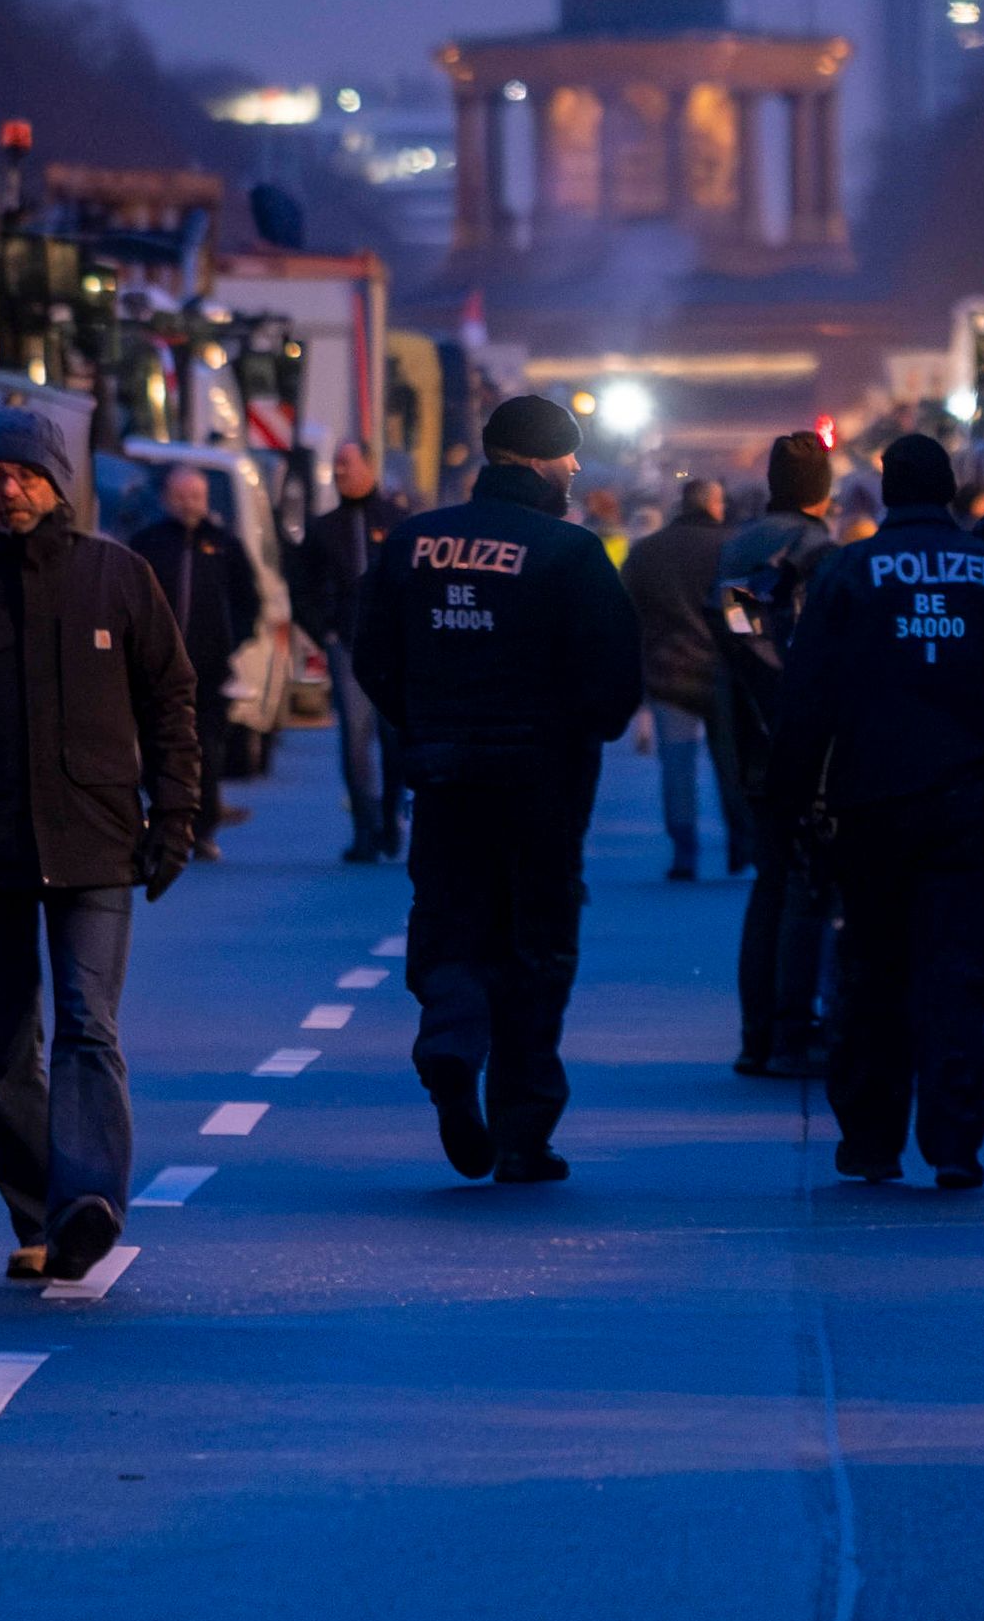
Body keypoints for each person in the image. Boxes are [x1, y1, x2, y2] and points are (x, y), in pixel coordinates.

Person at [0, 410, 207, 1282]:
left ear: (58, 482)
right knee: (8, 1044)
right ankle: (37, 1214)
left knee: (88, 1027)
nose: (6, 488)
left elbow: (170, 701)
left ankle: (87, 1204)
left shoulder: (117, 578)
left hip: (97, 846)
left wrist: (175, 817)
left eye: (23, 474)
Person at [351, 391, 648, 1182]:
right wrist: (577, 732)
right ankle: (522, 1132)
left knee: (450, 921)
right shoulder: (570, 553)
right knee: (536, 949)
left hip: (445, 776)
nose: (579, 468)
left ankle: (450, 1041)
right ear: (541, 459)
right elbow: (615, 682)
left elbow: (372, 655)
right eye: (570, 454)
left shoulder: (413, 544)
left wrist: (425, 722)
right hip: (542, 786)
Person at [772, 431, 984, 1192]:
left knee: (871, 977)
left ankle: (871, 1140)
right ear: (946, 490)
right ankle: (954, 1143)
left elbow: (806, 702)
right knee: (956, 980)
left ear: (886, 489)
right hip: (968, 810)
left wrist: (788, 808)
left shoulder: (848, 572)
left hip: (869, 808)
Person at [713, 431, 844, 1078]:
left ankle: (754, 1034)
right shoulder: (820, 551)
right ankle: (798, 1028)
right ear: (824, 488)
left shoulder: (738, 548)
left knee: (769, 888)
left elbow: (741, 636)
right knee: (810, 889)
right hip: (807, 741)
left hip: (750, 732)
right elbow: (827, 647)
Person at [129, 458, 266, 860]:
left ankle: (203, 829)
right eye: (182, 496)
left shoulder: (224, 545)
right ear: (166, 499)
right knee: (156, 748)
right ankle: (159, 826)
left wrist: (231, 641)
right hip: (155, 668)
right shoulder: (148, 544)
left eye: (196, 496)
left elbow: (248, 601)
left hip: (208, 668)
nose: (190, 504)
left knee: (206, 749)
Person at [289, 440, 406, 863]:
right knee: (355, 736)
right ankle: (365, 827)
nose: (340, 472)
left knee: (395, 739)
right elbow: (300, 587)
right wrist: (325, 633)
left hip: (395, 648)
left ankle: (391, 817)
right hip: (348, 645)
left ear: (368, 467)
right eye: (336, 464)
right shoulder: (323, 529)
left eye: (347, 463)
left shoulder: (397, 521)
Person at [620, 476, 734, 880]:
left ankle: (684, 848)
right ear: (713, 504)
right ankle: (740, 839)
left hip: (670, 672)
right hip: (723, 672)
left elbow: (627, 612)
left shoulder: (649, 551)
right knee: (731, 763)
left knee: (677, 764)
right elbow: (743, 616)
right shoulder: (732, 547)